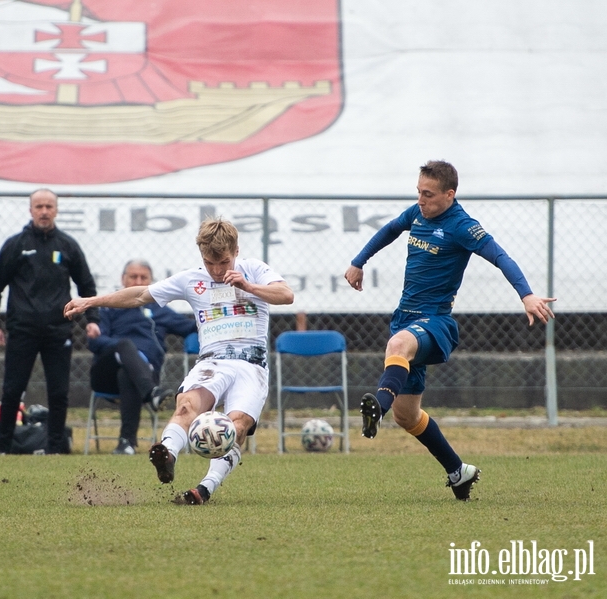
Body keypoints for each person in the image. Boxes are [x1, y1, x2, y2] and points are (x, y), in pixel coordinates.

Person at [344, 160, 556, 500]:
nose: (421, 200)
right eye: (418, 192)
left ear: (449, 194)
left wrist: (527, 294)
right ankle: (459, 472)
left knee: (398, 345)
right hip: (405, 317)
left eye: (428, 194)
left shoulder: (462, 226)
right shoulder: (417, 214)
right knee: (408, 416)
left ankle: (376, 409)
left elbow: (501, 257)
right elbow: (388, 231)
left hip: (436, 322)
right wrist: (358, 261)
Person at [65, 218, 294, 504]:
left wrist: (248, 286)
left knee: (236, 427)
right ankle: (167, 454)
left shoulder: (254, 270)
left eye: (223, 262)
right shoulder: (192, 279)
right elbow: (139, 295)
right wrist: (91, 301)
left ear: (236, 250)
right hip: (212, 362)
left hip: (251, 365)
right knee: (186, 406)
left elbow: (286, 295)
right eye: (210, 262)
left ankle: (205, 488)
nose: (217, 270)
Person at [0, 188, 99, 455]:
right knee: (13, 390)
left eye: (49, 206)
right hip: (22, 329)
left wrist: (93, 318)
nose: (44, 211)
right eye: (39, 207)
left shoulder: (67, 245)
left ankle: (55, 448)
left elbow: (87, 284)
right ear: (31, 210)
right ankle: (2, 448)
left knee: (59, 393)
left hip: (59, 330)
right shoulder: (16, 245)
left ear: (56, 210)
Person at [88, 259, 197, 455]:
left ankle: (126, 443)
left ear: (151, 281)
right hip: (106, 375)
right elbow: (94, 343)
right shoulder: (109, 307)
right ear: (123, 279)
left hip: (141, 375)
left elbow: (191, 326)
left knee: (126, 374)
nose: (138, 281)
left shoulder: (158, 309)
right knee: (125, 344)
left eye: (143, 277)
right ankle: (152, 393)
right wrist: (117, 346)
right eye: (133, 277)